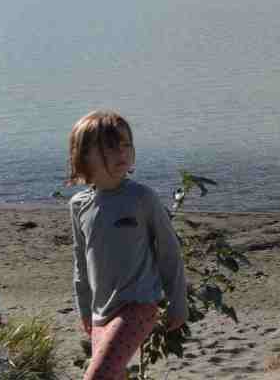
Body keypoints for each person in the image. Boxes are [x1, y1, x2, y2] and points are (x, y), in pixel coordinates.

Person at [68, 110, 187, 380]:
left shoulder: (142, 197)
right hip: (101, 312)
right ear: (84, 155)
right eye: (110, 146)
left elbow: (169, 250)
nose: (122, 152)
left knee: (97, 377)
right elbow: (80, 262)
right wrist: (84, 308)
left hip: (138, 305)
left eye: (126, 144)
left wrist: (178, 300)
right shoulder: (78, 206)